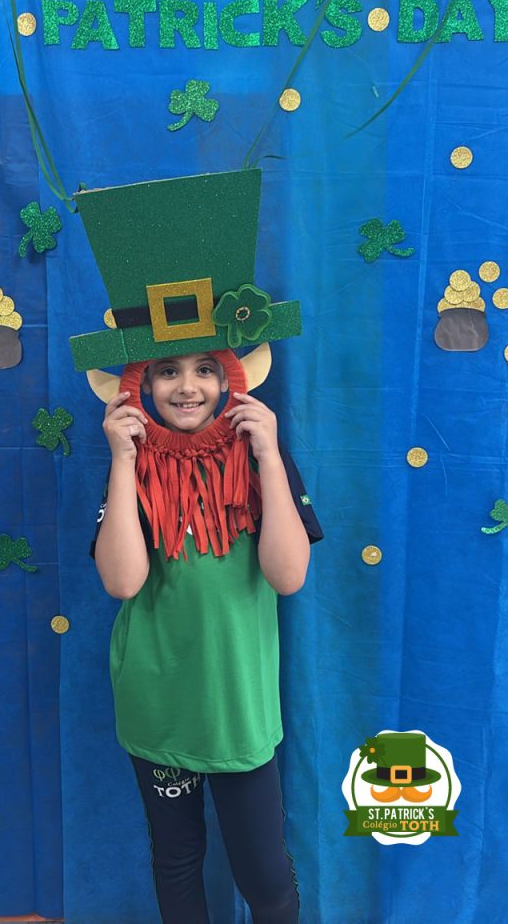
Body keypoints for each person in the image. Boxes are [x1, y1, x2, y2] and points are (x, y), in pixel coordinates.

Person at [90, 349, 323, 924]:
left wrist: (269, 457)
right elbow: (122, 582)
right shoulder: (136, 464)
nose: (187, 386)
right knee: (176, 857)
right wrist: (122, 461)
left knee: (264, 873)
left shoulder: (260, 459)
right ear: (144, 384)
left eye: (204, 370)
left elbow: (288, 577)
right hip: (157, 705)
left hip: (236, 705)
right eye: (168, 371)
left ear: (228, 379)